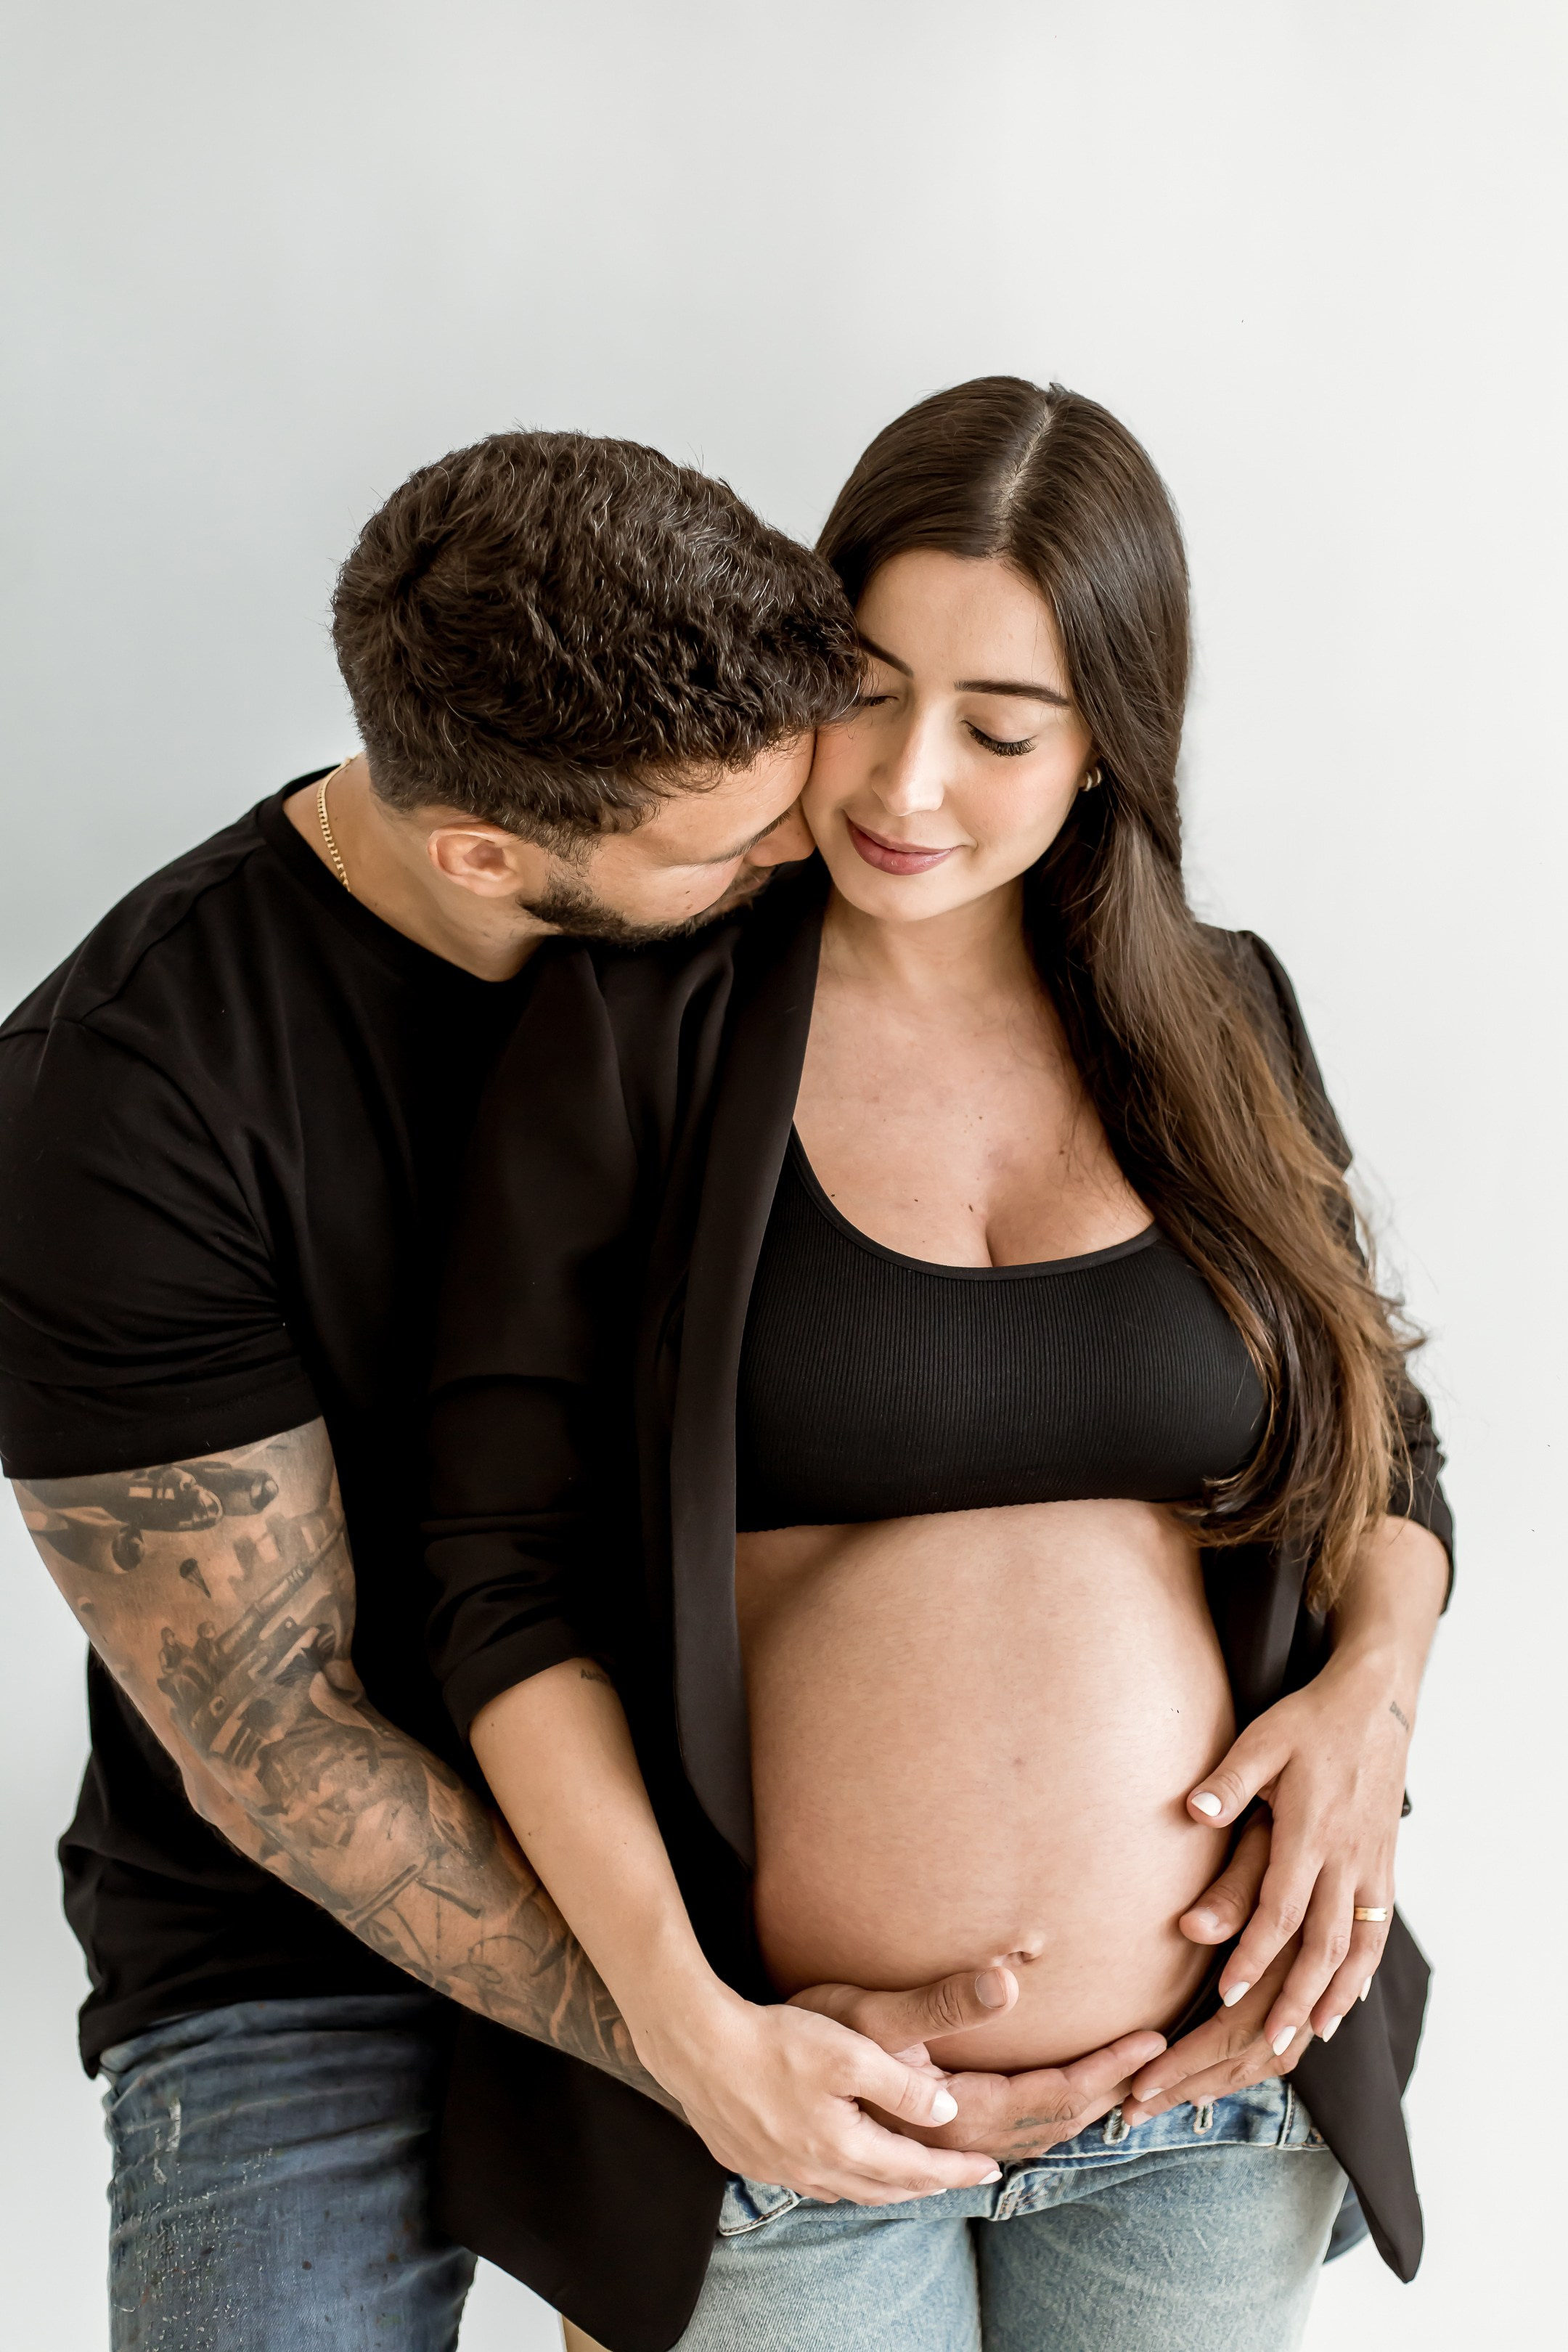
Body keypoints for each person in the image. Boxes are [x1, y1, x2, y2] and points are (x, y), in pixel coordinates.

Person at [0, 430, 1118, 2351]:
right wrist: (693, 2037)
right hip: (305, 1947)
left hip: (720, 1877)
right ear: (486, 858)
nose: (803, 855)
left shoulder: (763, 901)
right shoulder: (117, 1109)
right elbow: (275, 1727)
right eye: (730, 848)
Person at [425, 380, 1453, 2352]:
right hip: (781, 2113)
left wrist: (1371, 1708)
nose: (903, 783)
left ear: (1106, 745)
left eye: (999, 728)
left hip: (1210, 2096)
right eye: (867, 692)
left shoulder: (1222, 1017)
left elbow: (1384, 1456)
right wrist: (687, 2028)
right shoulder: (634, 1030)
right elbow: (495, 1574)